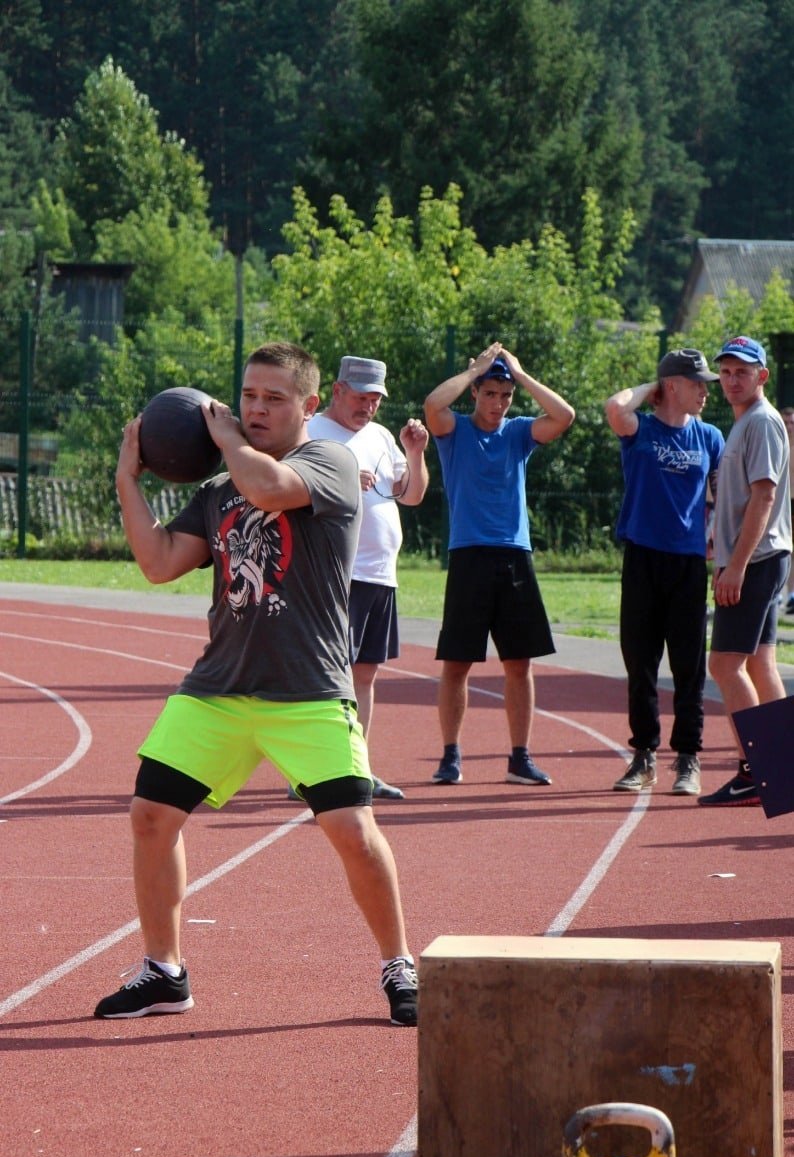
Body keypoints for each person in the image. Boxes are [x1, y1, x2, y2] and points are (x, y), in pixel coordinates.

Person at [94, 342, 418, 1026]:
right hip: (220, 687)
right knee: (151, 816)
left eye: (273, 399)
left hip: (306, 691)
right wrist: (128, 478)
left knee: (354, 832)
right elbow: (156, 563)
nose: (255, 409)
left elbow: (270, 489)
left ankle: (398, 965)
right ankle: (165, 971)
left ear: (308, 406)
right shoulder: (217, 493)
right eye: (247, 397)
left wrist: (227, 438)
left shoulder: (330, 461)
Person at [423, 341, 575, 786]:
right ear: (475, 393)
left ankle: (519, 757)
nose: (497, 403)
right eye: (490, 394)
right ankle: (450, 755)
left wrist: (522, 375)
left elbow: (564, 417)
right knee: (456, 664)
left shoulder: (520, 432)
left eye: (505, 396)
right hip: (469, 554)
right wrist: (475, 370)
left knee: (519, 663)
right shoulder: (454, 431)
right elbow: (433, 404)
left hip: (515, 555)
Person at [307, 355, 429, 800]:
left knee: (365, 674)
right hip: (337, 574)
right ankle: (311, 771)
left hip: (381, 575)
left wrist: (415, 454)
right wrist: (336, 480)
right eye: (361, 397)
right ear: (338, 391)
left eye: (376, 398)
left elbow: (411, 495)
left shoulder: (379, 436)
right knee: (327, 674)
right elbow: (285, 486)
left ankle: (358, 766)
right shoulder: (311, 432)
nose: (369, 407)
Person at [604, 348, 725, 796]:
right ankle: (644, 756)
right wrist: (649, 388)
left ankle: (688, 758)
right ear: (671, 386)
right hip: (642, 558)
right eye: (697, 384)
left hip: (688, 563)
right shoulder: (642, 430)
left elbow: (724, 494)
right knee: (641, 661)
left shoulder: (710, 436)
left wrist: (721, 544)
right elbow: (615, 408)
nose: (705, 392)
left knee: (689, 666)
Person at [698, 336, 792, 808]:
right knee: (759, 662)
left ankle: (757, 770)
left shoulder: (761, 422)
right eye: (727, 372)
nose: (733, 380)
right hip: (763, 559)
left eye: (742, 371)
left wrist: (734, 567)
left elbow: (765, 496)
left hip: (755, 562)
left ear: (762, 375)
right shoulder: (746, 422)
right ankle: (781, 769)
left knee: (724, 664)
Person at [781, 406, 794, 614]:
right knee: (785, 549)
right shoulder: (778, 443)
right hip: (782, 502)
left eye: (793, 423)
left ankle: (792, 594)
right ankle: (783, 594)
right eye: (786, 422)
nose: (790, 427)